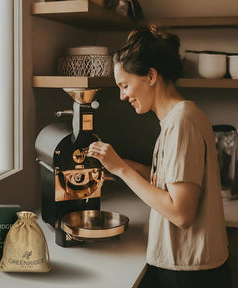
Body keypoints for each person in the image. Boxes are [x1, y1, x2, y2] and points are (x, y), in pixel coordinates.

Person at [87, 27, 231, 288]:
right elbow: (168, 180)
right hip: (189, 268)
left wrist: (121, 169)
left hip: (190, 273)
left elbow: (181, 212)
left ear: (151, 75)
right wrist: (117, 165)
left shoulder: (181, 123)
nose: (122, 96)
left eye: (125, 85)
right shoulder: (181, 116)